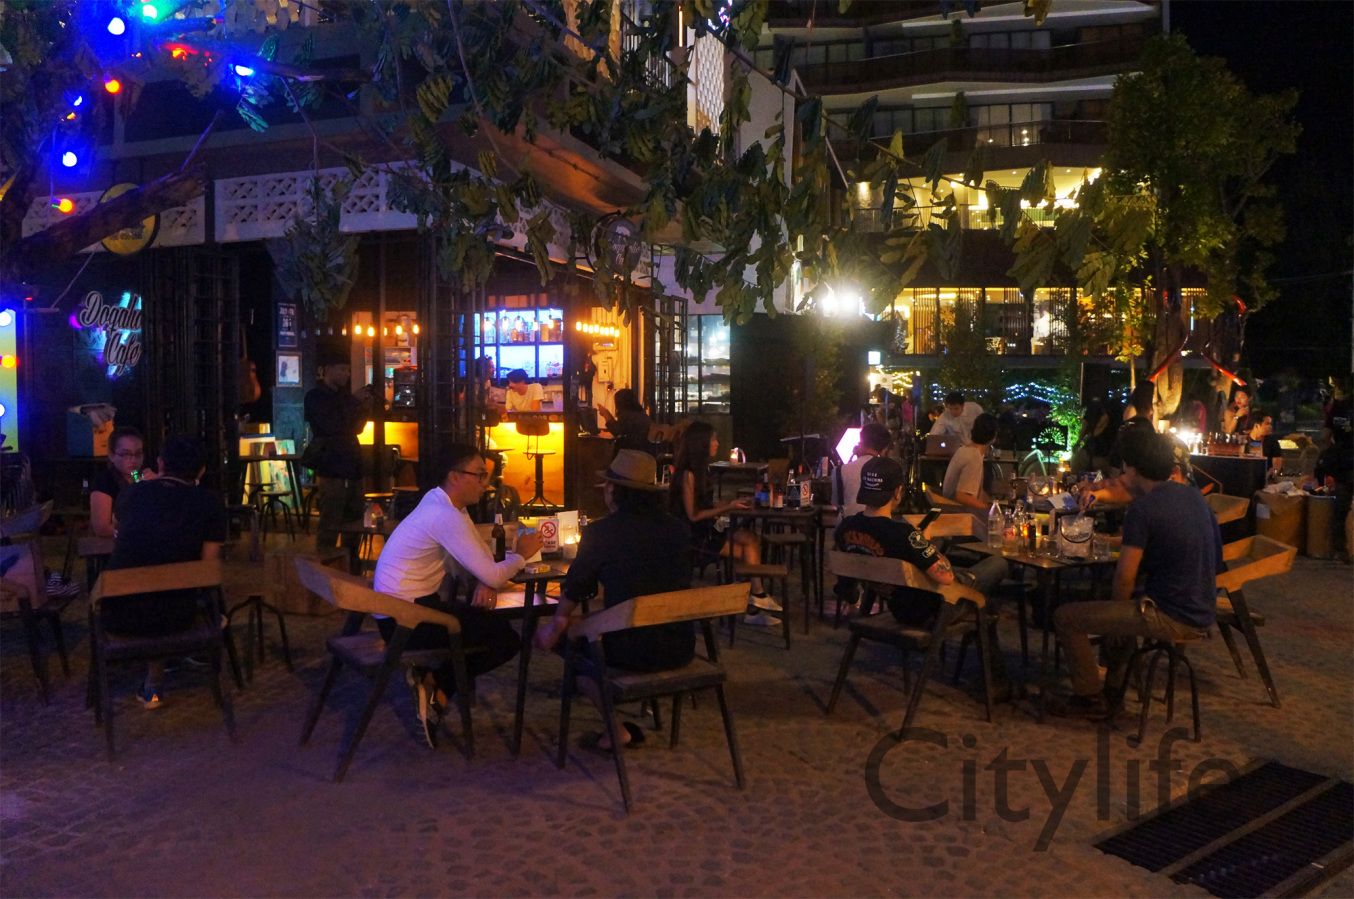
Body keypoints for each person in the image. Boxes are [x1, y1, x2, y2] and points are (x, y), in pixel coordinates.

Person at [373, 444, 545, 747]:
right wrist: (521, 554)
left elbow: (480, 563)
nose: (486, 483)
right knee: (505, 639)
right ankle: (437, 688)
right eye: (479, 475)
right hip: (405, 620)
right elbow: (492, 572)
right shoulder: (444, 514)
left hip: (405, 609)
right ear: (454, 476)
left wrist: (485, 580)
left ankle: (431, 681)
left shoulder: (445, 505)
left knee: (487, 626)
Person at [1050, 427, 1221, 718]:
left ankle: (1090, 699)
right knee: (1121, 605)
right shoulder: (1193, 497)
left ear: (1132, 469)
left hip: (1171, 614)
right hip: (1204, 608)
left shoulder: (1145, 508)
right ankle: (1113, 693)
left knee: (1067, 617)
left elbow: (1124, 577)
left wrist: (1115, 625)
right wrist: (1105, 542)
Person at [534, 450, 692, 752]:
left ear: (612, 490)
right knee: (588, 628)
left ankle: (615, 729)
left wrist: (557, 623)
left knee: (572, 650)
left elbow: (577, 587)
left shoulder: (602, 532)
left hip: (629, 650)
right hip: (680, 645)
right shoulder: (678, 530)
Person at [835, 455, 1009, 684]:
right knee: (997, 566)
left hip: (899, 608)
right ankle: (996, 684)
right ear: (897, 492)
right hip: (932, 611)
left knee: (979, 593)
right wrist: (925, 544)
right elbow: (946, 577)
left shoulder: (846, 528)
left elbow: (848, 583)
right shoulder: (903, 535)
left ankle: (994, 683)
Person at [104, 435, 229, 710]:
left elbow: (118, 535)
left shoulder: (131, 494)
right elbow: (207, 570)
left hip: (116, 615)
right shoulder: (210, 504)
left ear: (160, 464)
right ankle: (154, 685)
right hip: (176, 618)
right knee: (168, 597)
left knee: (150, 588)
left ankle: (151, 686)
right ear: (201, 471)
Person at [668, 421, 780, 626]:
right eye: (714, 439)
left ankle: (755, 600)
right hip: (694, 537)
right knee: (747, 549)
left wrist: (734, 503)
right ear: (702, 443)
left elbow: (705, 503)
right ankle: (755, 600)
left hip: (706, 529)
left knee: (750, 539)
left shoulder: (702, 469)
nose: (717, 443)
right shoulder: (688, 474)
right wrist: (728, 508)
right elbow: (693, 515)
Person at [304, 346, 373, 549]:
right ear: (328, 369)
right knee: (330, 524)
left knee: (355, 524)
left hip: (353, 467)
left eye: (348, 370)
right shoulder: (315, 397)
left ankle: (351, 563)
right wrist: (353, 402)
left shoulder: (344, 398)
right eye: (342, 369)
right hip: (332, 468)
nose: (347, 374)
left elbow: (356, 429)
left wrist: (365, 409)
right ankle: (326, 564)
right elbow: (330, 425)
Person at [90, 426, 154, 539]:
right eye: (126, 454)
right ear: (111, 455)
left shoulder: (143, 477)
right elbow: (102, 530)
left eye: (138, 453)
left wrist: (157, 485)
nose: (133, 460)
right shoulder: (105, 481)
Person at [941, 413, 998, 512]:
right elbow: (961, 496)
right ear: (993, 437)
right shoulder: (974, 457)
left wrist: (992, 505)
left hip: (949, 510)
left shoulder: (963, 450)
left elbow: (975, 490)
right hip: (959, 515)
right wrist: (990, 511)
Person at [833, 422, 891, 518]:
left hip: (848, 523)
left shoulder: (839, 471)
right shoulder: (888, 470)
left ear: (861, 442)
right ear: (884, 449)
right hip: (879, 523)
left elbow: (836, 502)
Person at [598, 388, 652, 454]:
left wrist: (606, 415)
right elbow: (620, 426)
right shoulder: (639, 413)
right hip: (644, 449)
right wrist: (607, 414)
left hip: (633, 452)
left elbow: (617, 431)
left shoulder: (627, 415)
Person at [1246, 409, 1283, 479]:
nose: (1270, 426)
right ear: (1256, 426)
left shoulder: (1272, 441)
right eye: (1267, 424)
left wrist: (1268, 476)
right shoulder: (1244, 441)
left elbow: (1277, 465)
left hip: (1267, 478)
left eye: (1270, 424)